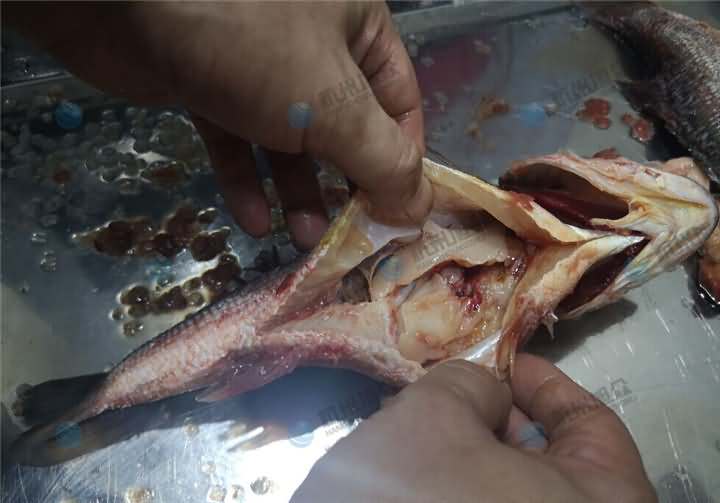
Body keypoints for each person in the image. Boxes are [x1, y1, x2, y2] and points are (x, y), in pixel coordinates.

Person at [6, 3, 656, 502]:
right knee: (226, 336)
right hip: (373, 287)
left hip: (388, 304)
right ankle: (95, 399)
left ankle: (92, 401)